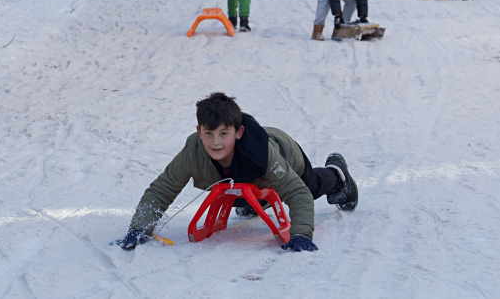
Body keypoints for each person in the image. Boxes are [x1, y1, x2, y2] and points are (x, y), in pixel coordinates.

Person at [116, 93, 358, 252]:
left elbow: (298, 193)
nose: (215, 142)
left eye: (223, 133)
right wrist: (139, 228)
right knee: (239, 197)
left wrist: (301, 234)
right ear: (199, 131)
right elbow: (163, 188)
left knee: (311, 187)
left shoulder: (264, 153)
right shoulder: (194, 149)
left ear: (238, 132)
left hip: (283, 150)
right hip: (244, 177)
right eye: (208, 134)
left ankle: (338, 175)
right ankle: (255, 203)